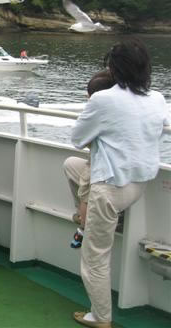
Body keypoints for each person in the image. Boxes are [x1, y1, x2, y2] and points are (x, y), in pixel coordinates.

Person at [69, 39, 170, 328]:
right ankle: (86, 216)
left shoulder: (103, 99)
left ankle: (100, 317)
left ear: (113, 69)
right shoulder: (157, 98)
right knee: (73, 168)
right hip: (139, 184)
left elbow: (77, 139)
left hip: (110, 188)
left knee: (95, 257)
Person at [62, 69, 115, 249]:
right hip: (121, 174)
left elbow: (79, 140)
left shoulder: (100, 112)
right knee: (70, 165)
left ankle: (84, 224)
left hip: (102, 170)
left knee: (86, 187)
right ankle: (82, 215)